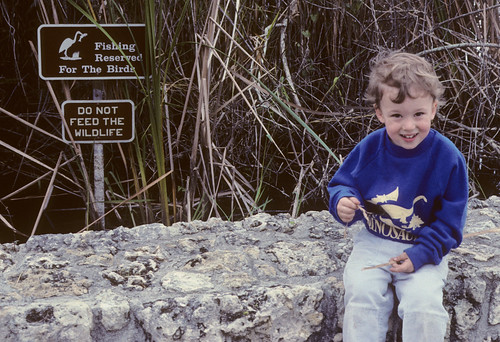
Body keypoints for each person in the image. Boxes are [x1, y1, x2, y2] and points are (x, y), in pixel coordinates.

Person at [327, 51, 468, 341]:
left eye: (418, 114)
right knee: (362, 296)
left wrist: (419, 256)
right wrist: (342, 202)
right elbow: (342, 184)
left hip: (423, 244)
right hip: (373, 242)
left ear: (433, 108)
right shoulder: (370, 148)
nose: (408, 126)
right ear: (380, 113)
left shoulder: (449, 159)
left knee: (424, 304)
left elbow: (450, 225)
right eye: (396, 116)